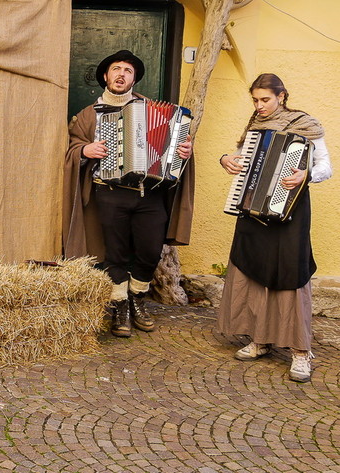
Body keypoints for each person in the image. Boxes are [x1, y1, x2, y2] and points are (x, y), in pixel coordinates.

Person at [64, 50, 193, 338]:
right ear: (106, 76)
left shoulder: (151, 109)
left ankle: (137, 296)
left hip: (149, 193)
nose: (121, 74)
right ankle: (121, 305)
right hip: (109, 193)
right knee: (116, 254)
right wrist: (85, 150)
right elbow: (72, 146)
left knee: (149, 251)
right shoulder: (89, 114)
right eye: (116, 69)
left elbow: (175, 145)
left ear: (134, 78)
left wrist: (184, 151)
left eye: (128, 71)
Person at [218, 73, 332, 383]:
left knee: (289, 274)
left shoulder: (304, 124)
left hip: (289, 212)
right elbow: (242, 159)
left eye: (265, 99)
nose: (259, 105)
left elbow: (326, 165)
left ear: (281, 96)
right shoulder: (255, 126)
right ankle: (261, 339)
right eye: (255, 100)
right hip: (252, 210)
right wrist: (226, 159)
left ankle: (300, 352)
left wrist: (305, 175)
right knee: (255, 269)